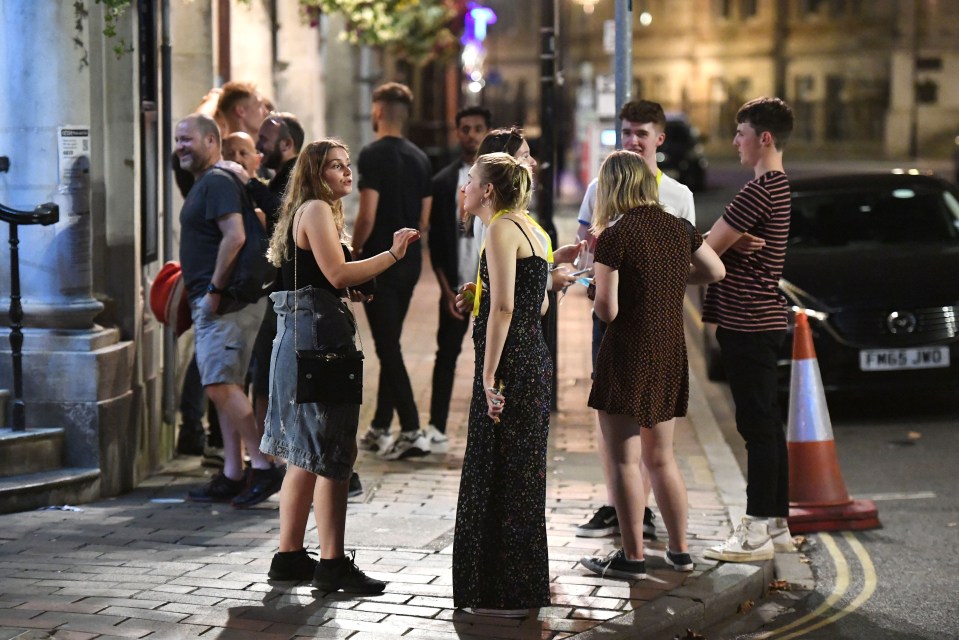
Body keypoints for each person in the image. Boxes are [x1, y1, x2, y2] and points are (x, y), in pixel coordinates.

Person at [261, 138, 421, 592]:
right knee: (333, 453)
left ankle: (289, 556)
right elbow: (335, 275)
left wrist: (352, 286)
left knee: (305, 455)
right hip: (318, 344)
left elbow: (325, 279)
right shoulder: (314, 210)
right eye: (336, 166)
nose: (347, 173)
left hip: (303, 339)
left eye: (348, 165)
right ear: (315, 174)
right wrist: (391, 255)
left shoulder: (316, 212)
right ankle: (331, 564)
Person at [578, 151, 725, 580]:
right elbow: (715, 271)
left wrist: (592, 291)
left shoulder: (616, 236)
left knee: (624, 460)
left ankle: (634, 557)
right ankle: (681, 552)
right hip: (668, 349)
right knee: (662, 458)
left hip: (626, 351)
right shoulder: (678, 227)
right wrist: (674, 279)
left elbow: (607, 309)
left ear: (612, 188)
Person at [574, 100, 696, 542]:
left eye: (641, 132)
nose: (632, 139)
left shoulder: (675, 200)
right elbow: (585, 248)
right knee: (645, 448)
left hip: (635, 330)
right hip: (650, 334)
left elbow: (607, 305)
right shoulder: (605, 194)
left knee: (635, 447)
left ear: (658, 138)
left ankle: (635, 546)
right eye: (627, 132)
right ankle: (659, 535)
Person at [452, 153, 551, 618]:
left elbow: (505, 308)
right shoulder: (535, 229)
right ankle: (523, 587)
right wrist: (482, 293)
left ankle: (495, 591)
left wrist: (489, 374)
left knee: (494, 472)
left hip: (510, 362)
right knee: (524, 473)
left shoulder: (499, 229)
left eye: (471, 180)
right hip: (536, 357)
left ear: (488, 190)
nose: (466, 188)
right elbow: (539, 305)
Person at [701, 97, 797, 563]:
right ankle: (776, 524)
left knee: (756, 425)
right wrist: (732, 239)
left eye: (741, 133)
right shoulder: (779, 187)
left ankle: (756, 528)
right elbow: (722, 243)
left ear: (765, 138)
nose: (735, 141)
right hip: (763, 319)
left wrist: (724, 238)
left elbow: (702, 252)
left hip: (747, 320)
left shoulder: (757, 191)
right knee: (767, 424)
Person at [175, 114, 284, 507]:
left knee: (219, 385)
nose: (180, 146)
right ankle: (233, 472)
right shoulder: (211, 182)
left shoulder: (217, 181)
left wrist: (215, 291)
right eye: (177, 140)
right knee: (227, 386)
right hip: (223, 301)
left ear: (210, 141)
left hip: (224, 302)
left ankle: (264, 466)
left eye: (187, 139)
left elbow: (234, 236)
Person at [353, 83, 433, 460]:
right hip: (410, 261)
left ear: (379, 112)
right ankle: (381, 425)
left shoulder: (371, 155)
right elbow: (424, 218)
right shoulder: (420, 158)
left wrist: (354, 252)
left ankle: (413, 427)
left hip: (379, 261)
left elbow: (367, 213)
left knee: (387, 346)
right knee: (392, 344)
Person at [425, 106, 492, 453]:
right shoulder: (443, 181)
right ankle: (436, 425)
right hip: (455, 283)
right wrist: (443, 289)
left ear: (487, 131)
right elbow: (435, 241)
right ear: (457, 132)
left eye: (477, 128)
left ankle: (489, 428)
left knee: (491, 359)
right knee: (446, 354)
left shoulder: (500, 180)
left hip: (490, 287)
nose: (470, 134)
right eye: (464, 128)